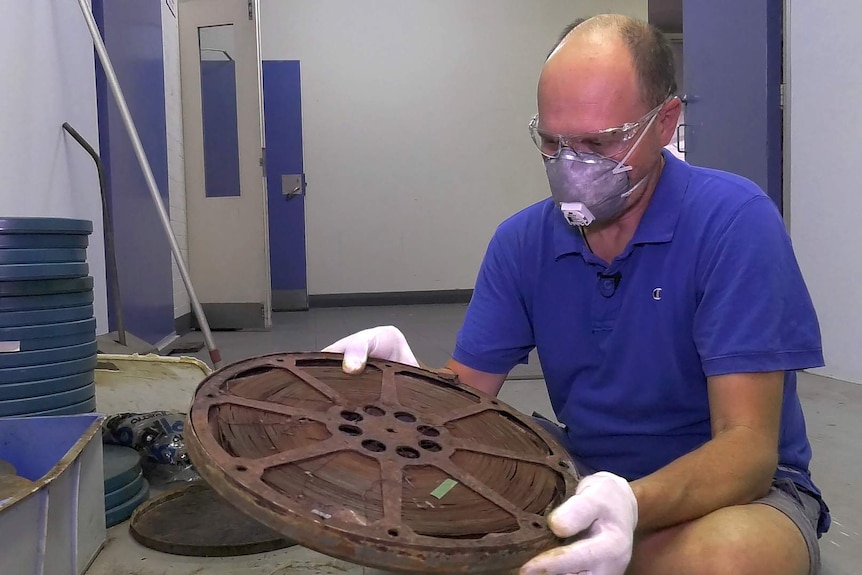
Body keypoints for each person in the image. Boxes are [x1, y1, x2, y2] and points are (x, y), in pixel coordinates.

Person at [324, 14, 829, 575]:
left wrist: (629, 506)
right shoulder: (521, 243)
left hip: (730, 497)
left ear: (664, 124)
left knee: (730, 561)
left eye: (598, 142)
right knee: (423, 501)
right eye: (551, 142)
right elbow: (465, 408)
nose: (570, 167)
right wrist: (403, 392)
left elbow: (748, 452)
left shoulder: (733, 221)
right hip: (575, 473)